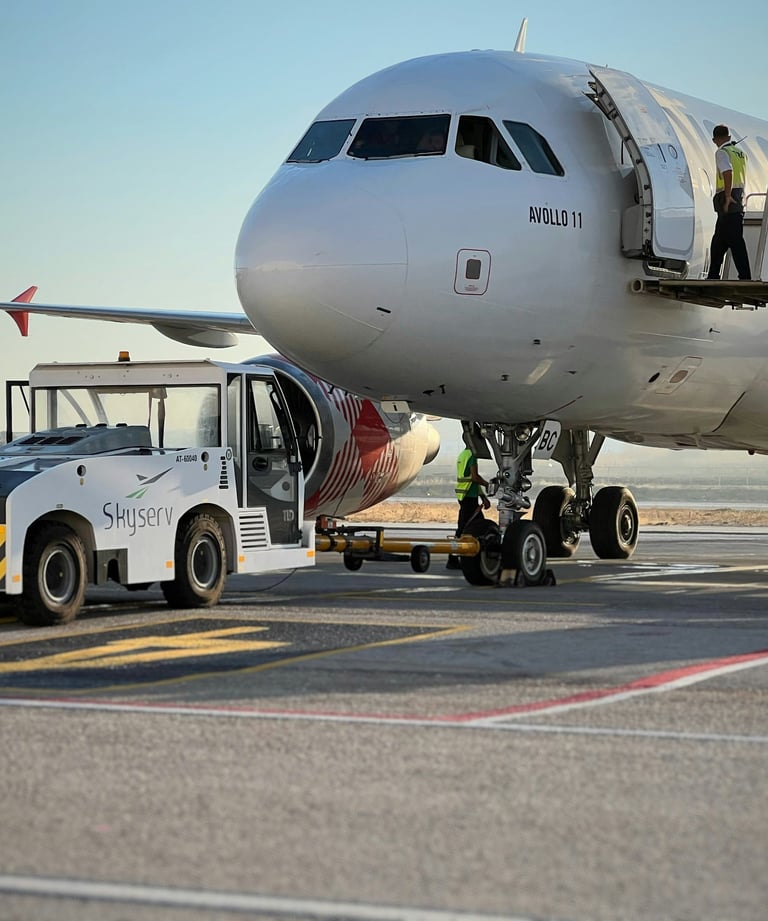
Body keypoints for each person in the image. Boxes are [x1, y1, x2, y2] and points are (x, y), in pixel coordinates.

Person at [707, 125, 751, 281]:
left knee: (734, 239)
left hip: (729, 197)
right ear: (730, 137)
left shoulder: (722, 152)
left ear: (715, 140)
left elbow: (727, 172)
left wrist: (727, 196)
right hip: (739, 196)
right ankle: (713, 275)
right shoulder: (740, 153)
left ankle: (745, 276)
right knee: (719, 239)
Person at [446, 442, 491, 570]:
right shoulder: (472, 456)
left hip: (466, 496)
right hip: (469, 497)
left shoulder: (462, 455)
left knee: (475, 526)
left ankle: (469, 556)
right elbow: (475, 478)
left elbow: (471, 480)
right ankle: (453, 559)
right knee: (464, 529)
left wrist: (483, 497)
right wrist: (487, 485)